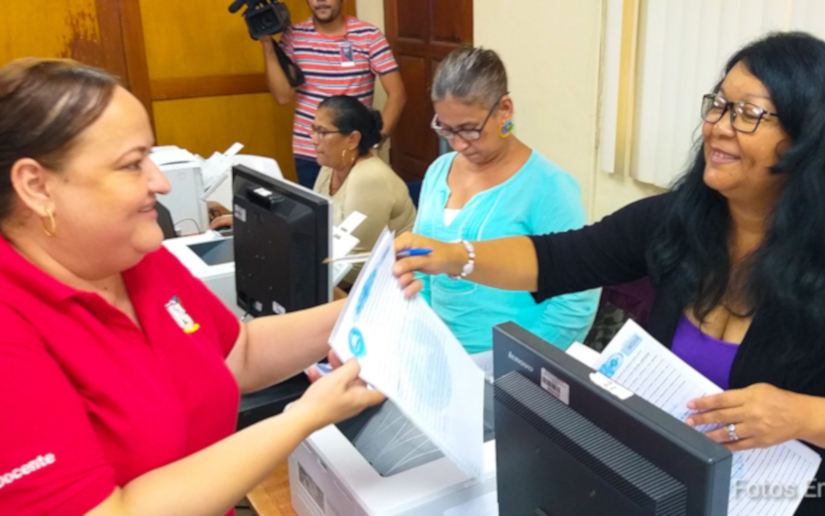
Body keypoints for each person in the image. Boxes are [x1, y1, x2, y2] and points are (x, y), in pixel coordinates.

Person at [394, 32, 825, 515]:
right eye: (719, 105)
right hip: (671, 484)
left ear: (808, 135)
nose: (720, 127)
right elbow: (558, 258)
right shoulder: (678, 220)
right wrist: (456, 256)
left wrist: (804, 415)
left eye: (748, 113)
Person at [0, 58, 384, 516]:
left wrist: (371, 300)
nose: (160, 182)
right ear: (37, 186)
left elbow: (237, 352)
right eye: (132, 165)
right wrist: (303, 417)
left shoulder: (134, 256)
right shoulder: (12, 327)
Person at [413, 46, 599, 365]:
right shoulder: (439, 171)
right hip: (437, 355)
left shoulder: (549, 186)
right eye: (446, 129)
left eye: (470, 129)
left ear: (504, 109)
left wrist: (514, 365)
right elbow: (424, 268)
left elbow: (574, 304)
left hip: (509, 366)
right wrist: (426, 339)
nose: (458, 144)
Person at [261, 0, 406, 188]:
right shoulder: (294, 37)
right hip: (310, 151)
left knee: (356, 207)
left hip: (353, 151)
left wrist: (375, 142)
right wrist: (267, 43)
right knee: (317, 207)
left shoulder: (369, 35)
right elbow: (283, 97)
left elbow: (397, 95)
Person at [312, 95, 416, 287]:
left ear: (353, 139)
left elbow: (359, 265)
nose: (313, 140)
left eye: (322, 132)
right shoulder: (329, 165)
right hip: (342, 278)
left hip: (388, 283)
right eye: (314, 130)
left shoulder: (369, 177)